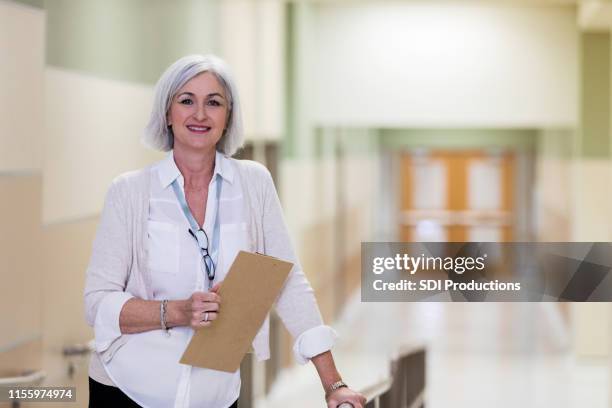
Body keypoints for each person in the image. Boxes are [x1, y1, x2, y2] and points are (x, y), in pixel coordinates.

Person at [84, 54, 366, 408]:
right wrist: (178, 312)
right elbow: (97, 303)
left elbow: (288, 281)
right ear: (167, 114)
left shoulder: (253, 183)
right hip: (126, 390)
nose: (200, 114)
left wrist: (333, 384)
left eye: (213, 102)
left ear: (228, 116)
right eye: (186, 100)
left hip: (214, 395)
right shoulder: (130, 191)